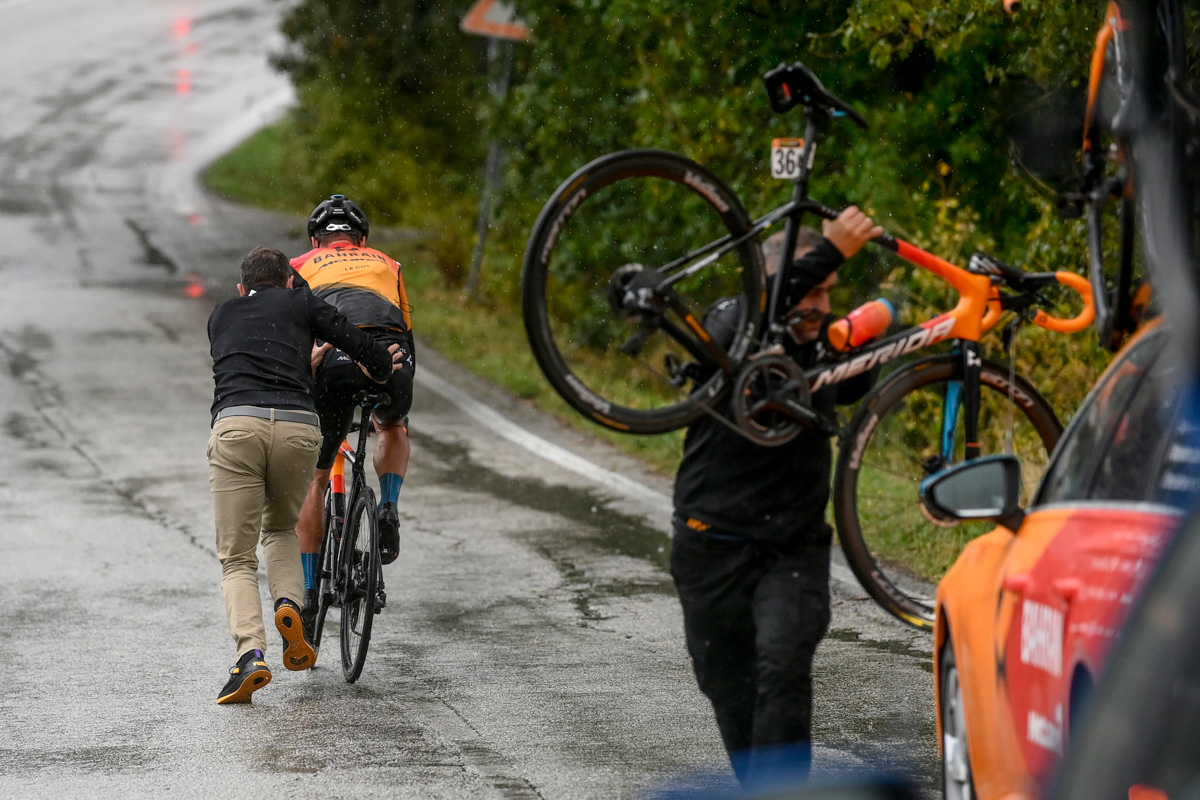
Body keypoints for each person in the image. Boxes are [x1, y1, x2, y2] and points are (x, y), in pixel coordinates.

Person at [670, 206, 882, 784]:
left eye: (829, 292)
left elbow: (875, 358)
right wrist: (832, 248)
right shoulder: (731, 326)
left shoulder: (827, 343)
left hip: (793, 549)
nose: (819, 305)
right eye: (809, 288)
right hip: (709, 546)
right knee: (727, 687)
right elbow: (762, 309)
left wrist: (891, 317)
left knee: (783, 667)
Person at [207, 246, 401, 704]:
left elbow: (247, 358)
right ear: (291, 281)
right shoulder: (302, 302)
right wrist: (380, 365)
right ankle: (290, 605)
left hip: (238, 424)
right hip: (297, 426)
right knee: (280, 529)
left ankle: (251, 655)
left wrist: (297, 361)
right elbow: (353, 340)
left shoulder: (221, 314)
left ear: (241, 288)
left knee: (237, 556)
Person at [290, 195, 417, 634]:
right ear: (362, 240)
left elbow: (296, 337)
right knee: (392, 425)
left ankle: (308, 598)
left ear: (315, 239)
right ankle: (389, 506)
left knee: (317, 477)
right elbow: (406, 331)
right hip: (389, 353)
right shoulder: (390, 264)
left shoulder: (298, 265)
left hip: (336, 358)